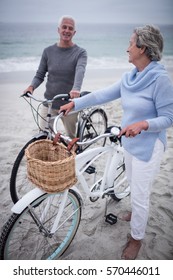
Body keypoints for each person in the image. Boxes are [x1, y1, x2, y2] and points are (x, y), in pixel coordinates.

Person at [60, 25, 173, 259]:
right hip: (129, 141)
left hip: (149, 146)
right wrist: (76, 103)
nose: (127, 48)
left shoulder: (160, 80)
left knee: (141, 195)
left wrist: (143, 124)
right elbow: (103, 94)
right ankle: (136, 213)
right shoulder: (130, 77)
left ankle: (136, 239)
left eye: (131, 43)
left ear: (143, 48)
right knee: (133, 183)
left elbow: (168, 118)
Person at [24, 15, 87, 138]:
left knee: (71, 139)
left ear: (74, 32)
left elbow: (80, 70)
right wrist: (31, 87)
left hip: (69, 105)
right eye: (64, 27)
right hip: (49, 104)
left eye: (70, 28)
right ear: (58, 30)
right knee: (43, 136)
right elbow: (40, 74)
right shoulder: (48, 51)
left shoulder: (80, 53)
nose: (67, 31)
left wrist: (76, 89)